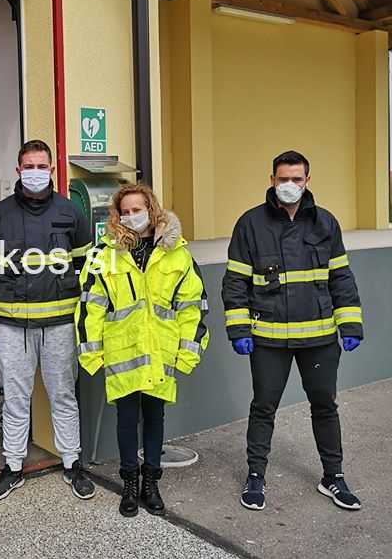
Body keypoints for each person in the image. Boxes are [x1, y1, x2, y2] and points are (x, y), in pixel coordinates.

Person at [222, 150, 364, 512]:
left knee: (325, 406)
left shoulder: (325, 222)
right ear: (272, 180)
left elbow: (341, 277)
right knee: (263, 407)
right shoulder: (250, 224)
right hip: (269, 338)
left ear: (307, 181)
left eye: (296, 179)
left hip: (319, 337)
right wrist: (239, 329)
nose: (289, 185)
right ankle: (256, 476)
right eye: (283, 179)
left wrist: (350, 323)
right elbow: (235, 282)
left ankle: (333, 476)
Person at [76, 184, 208, 517]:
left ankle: (151, 482)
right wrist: (91, 353)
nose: (131, 216)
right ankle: (129, 484)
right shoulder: (104, 254)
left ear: (152, 210)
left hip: (161, 350)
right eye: (125, 212)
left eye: (137, 209)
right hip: (122, 350)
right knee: (126, 418)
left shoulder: (177, 253)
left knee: (154, 417)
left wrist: (187, 353)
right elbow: (90, 305)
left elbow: (193, 306)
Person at [0, 139, 96, 501]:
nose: (35, 172)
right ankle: (13, 467)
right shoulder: (0, 214)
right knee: (16, 398)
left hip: (59, 321)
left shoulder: (70, 211)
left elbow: (84, 262)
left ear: (52, 170)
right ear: (18, 170)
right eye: (28, 167)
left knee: (63, 395)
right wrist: (9, 284)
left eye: (41, 166)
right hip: (12, 322)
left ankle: (72, 463)